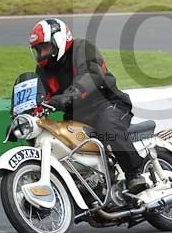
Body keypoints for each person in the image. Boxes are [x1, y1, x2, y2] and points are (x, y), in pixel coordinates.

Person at [28, 18, 147, 193]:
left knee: (108, 127)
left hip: (107, 104)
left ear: (58, 41)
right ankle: (91, 185)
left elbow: (91, 75)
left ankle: (134, 174)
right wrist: (28, 114)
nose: (42, 54)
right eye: (38, 50)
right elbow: (40, 97)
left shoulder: (82, 49)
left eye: (45, 47)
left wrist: (67, 97)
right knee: (63, 144)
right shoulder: (43, 71)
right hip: (76, 116)